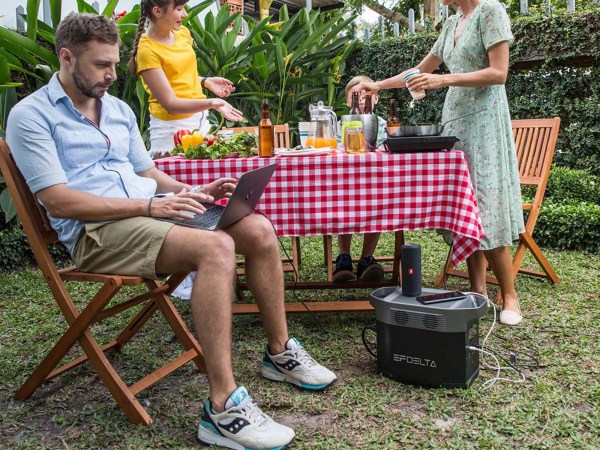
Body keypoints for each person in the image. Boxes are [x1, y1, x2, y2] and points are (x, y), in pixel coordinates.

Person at [6, 13, 336, 450]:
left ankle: (279, 353)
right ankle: (223, 407)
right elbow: (59, 200)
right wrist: (149, 205)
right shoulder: (30, 115)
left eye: (113, 64)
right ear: (66, 57)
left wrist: (194, 191)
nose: (110, 75)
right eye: (100, 65)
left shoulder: (118, 110)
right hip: (97, 232)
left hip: (149, 213)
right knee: (216, 247)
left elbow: (147, 172)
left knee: (255, 227)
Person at [353, 0, 525, 326]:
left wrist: (444, 81)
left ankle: (510, 293)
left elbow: (499, 73)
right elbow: (420, 71)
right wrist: (377, 84)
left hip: (485, 122)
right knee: (466, 205)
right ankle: (477, 291)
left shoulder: (491, 11)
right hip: (456, 121)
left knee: (487, 205)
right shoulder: (451, 23)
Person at [128, 0, 244, 300]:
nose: (184, 14)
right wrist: (213, 102)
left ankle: (212, 271)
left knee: (208, 192)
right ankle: (191, 277)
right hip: (170, 132)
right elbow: (170, 101)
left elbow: (183, 79)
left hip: (200, 124)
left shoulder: (183, 34)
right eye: (178, 8)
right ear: (157, 11)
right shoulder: (146, 49)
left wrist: (206, 82)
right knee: (185, 199)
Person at [333, 75, 387, 282]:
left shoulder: (384, 124)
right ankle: (343, 256)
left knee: (379, 202)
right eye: (356, 97)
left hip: (376, 183)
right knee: (341, 201)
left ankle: (367, 257)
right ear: (348, 101)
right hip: (344, 183)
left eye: (367, 95)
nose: (362, 100)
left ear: (376, 99)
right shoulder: (341, 124)